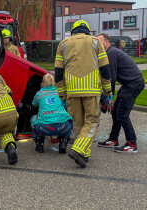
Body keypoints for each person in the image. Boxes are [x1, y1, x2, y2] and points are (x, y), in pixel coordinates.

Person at [55, 20, 112, 168]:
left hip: (72, 90)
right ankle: (78, 149)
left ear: (73, 31)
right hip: (91, 89)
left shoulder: (63, 44)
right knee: (92, 121)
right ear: (87, 30)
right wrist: (108, 90)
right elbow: (104, 68)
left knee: (79, 123)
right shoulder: (95, 42)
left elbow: (58, 72)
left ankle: (84, 154)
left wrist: (62, 94)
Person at [97, 33, 145, 153]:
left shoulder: (110, 53)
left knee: (122, 114)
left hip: (133, 84)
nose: (97, 44)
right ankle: (113, 139)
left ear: (106, 42)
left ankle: (132, 144)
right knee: (115, 111)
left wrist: (109, 98)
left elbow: (111, 78)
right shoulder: (108, 53)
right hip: (128, 84)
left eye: (99, 41)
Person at [31, 73, 73, 154]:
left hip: (44, 128)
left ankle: (40, 145)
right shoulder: (59, 92)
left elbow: (34, 104)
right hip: (63, 127)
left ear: (43, 82)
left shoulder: (39, 94)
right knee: (69, 119)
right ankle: (63, 142)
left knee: (33, 119)